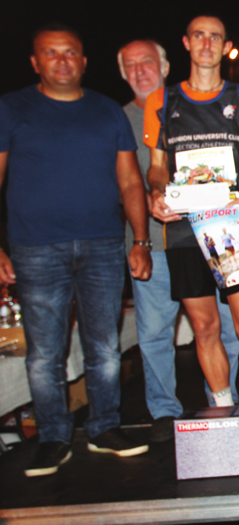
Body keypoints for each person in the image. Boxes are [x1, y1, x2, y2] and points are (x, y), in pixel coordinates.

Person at [0, 24, 151, 477]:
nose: (62, 61)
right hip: (36, 248)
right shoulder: (12, 109)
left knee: (104, 348)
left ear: (84, 61)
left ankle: (105, 427)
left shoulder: (107, 112)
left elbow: (130, 181)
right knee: (45, 353)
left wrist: (140, 241)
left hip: (103, 245)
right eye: (52, 53)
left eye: (71, 53)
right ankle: (53, 437)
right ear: (35, 61)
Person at [117, 39, 239, 441]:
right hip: (151, 243)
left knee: (227, 328)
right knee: (154, 333)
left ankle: (225, 402)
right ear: (122, 73)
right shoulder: (117, 119)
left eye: (147, 62)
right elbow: (117, 185)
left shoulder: (196, 107)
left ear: (167, 67)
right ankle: (165, 414)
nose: (140, 70)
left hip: (213, 240)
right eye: (130, 65)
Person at [145, 15, 239, 407]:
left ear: (224, 45)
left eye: (214, 37)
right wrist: (156, 192)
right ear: (186, 42)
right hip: (184, 231)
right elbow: (156, 165)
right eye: (199, 35)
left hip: (229, 227)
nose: (206, 43)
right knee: (204, 327)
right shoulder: (161, 100)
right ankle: (222, 407)